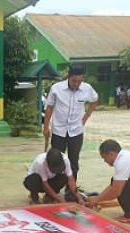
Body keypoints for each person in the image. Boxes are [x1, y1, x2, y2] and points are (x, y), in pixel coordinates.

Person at [43, 64, 98, 201]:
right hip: (58, 131)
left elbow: (94, 101)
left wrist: (85, 118)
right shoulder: (56, 89)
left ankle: (70, 192)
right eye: (74, 81)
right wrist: (46, 127)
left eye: (80, 81)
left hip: (76, 131)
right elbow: (49, 108)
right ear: (68, 77)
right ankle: (52, 192)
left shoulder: (87, 89)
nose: (77, 84)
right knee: (55, 161)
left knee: (73, 162)